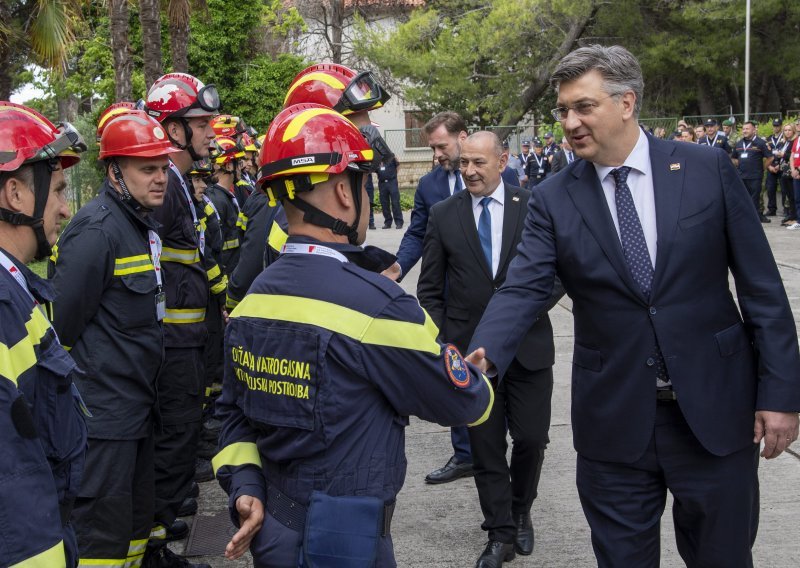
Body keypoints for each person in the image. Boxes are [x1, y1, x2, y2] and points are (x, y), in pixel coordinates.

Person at [468, 45, 800, 567]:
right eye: (562, 110)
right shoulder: (553, 198)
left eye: (583, 107)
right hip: (615, 424)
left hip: (714, 415)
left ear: (626, 103)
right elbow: (523, 288)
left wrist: (780, 394)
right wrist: (484, 353)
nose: (569, 122)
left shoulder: (706, 168)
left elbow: (762, 288)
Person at [212, 103, 493, 568]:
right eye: (364, 182)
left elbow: (233, 417)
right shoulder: (378, 304)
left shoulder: (252, 302)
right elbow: (466, 403)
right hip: (347, 544)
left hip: (272, 533)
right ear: (345, 191)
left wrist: (244, 487)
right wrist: (472, 374)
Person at [48, 109, 185, 568]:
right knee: (100, 542)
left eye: (164, 167)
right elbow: (59, 328)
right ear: (114, 172)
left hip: (139, 413)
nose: (161, 178)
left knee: (133, 533)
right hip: (105, 423)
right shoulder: (96, 231)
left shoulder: (140, 223)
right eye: (148, 169)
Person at [417, 131, 560, 568]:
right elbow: (430, 289)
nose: (470, 171)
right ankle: (498, 533)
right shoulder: (444, 215)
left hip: (529, 346)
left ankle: (521, 511)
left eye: (479, 162)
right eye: (464, 163)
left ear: (503, 161)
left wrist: (521, 312)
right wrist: (446, 345)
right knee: (485, 446)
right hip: (470, 357)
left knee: (532, 438)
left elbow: (556, 274)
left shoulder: (533, 205)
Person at [0, 101, 87, 567]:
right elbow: (10, 477)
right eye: (56, 190)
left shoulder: (15, 289)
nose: (65, 207)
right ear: (16, 193)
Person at [143, 72, 221, 567]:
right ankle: (152, 549)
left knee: (180, 441)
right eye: (201, 123)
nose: (212, 133)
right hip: (173, 347)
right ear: (173, 130)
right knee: (172, 444)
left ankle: (157, 539)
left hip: (187, 340)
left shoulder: (175, 184)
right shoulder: (166, 185)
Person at [383, 111, 475, 483]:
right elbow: (417, 233)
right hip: (448, 297)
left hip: (489, 295)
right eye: (433, 147)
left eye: (441, 145)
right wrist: (396, 269)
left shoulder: (500, 176)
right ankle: (465, 453)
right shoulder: (430, 185)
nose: (436, 153)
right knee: (453, 369)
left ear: (462, 137)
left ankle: (498, 448)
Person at [733, 121, 773, 222]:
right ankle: (745, 217)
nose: (745, 131)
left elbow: (770, 157)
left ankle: (754, 219)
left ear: (754, 130)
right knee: (743, 198)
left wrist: (763, 168)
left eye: (747, 129)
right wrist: (740, 165)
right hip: (742, 176)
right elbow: (734, 158)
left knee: (755, 199)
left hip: (755, 176)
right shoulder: (739, 143)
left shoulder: (761, 143)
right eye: (743, 129)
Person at [765, 118, 786, 217]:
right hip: (771, 166)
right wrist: (769, 166)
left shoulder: (785, 138)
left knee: (784, 188)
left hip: (781, 166)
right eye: (774, 125)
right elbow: (766, 154)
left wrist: (779, 165)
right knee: (770, 188)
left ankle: (786, 209)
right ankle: (772, 209)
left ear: (781, 126)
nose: (775, 127)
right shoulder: (768, 138)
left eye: (777, 125)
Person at [378, 154, 403, 229]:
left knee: (395, 202)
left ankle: (399, 222)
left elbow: (398, 166)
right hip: (382, 184)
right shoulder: (378, 159)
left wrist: (394, 175)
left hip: (392, 182)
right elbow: (375, 170)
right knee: (384, 203)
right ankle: (388, 222)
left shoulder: (392, 157)